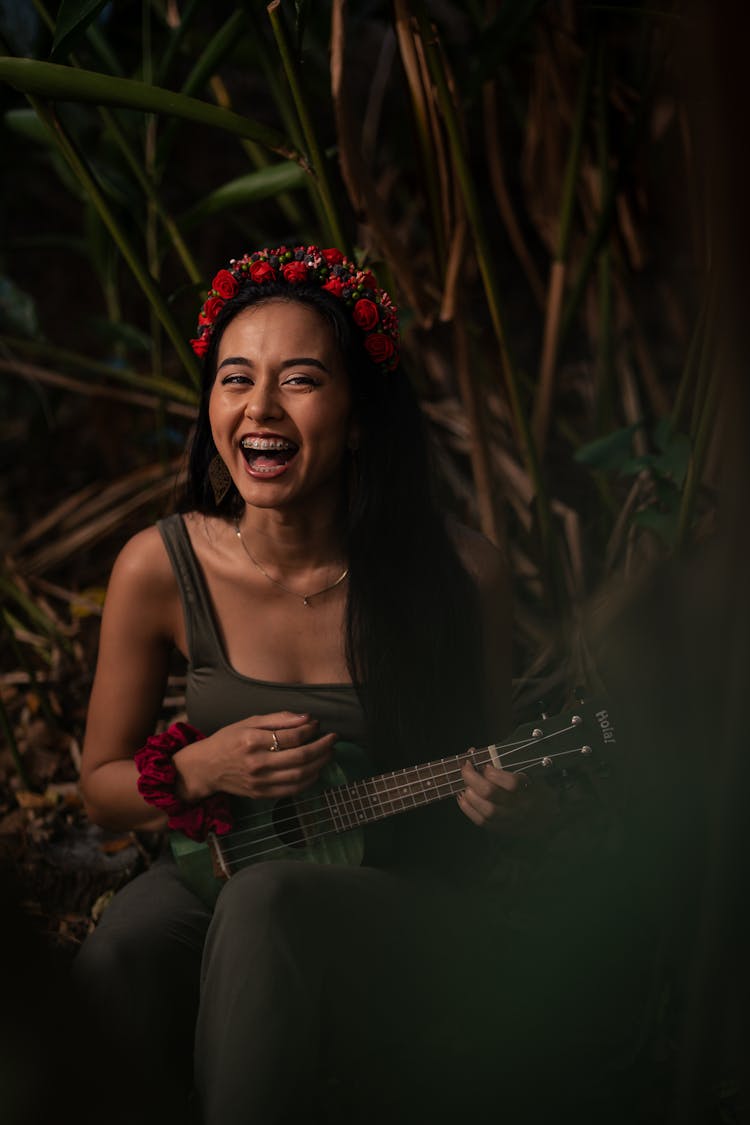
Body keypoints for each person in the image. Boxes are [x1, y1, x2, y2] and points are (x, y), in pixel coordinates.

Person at [74, 245, 527, 1125]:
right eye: (235, 378)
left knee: (267, 904)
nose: (260, 408)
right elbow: (100, 788)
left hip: (398, 892)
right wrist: (203, 770)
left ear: (357, 416)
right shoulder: (159, 567)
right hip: (219, 860)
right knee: (121, 950)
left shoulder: (459, 576)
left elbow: (503, 765)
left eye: (302, 380)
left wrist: (518, 804)